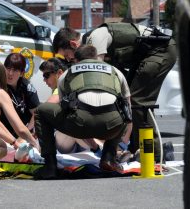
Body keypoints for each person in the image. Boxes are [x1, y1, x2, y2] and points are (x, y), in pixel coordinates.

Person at [52, 24, 177, 160]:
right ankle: (136, 150)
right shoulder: (91, 47)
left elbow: (96, 77)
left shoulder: (94, 39)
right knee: (128, 102)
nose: (69, 60)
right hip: (148, 55)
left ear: (73, 44)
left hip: (161, 51)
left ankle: (155, 156)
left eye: (67, 55)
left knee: (137, 102)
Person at [34, 45, 132, 179]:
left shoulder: (68, 73)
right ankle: (109, 157)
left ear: (76, 60)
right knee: (122, 112)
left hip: (80, 126)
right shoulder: (115, 71)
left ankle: (50, 166)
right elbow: (128, 106)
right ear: (96, 57)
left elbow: (64, 106)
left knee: (41, 111)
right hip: (112, 127)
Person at [39, 57, 101, 154]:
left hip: (74, 139)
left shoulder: (61, 88)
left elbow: (41, 109)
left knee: (72, 124)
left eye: (46, 75)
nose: (44, 80)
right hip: (73, 139)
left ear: (59, 73)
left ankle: (106, 151)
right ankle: (108, 152)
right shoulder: (67, 87)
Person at [0, 53, 40, 137]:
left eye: (15, 70)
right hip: (5, 133)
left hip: (25, 131)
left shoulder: (27, 87)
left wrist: (27, 132)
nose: (10, 73)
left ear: (22, 73)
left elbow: (36, 113)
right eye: (8, 68)